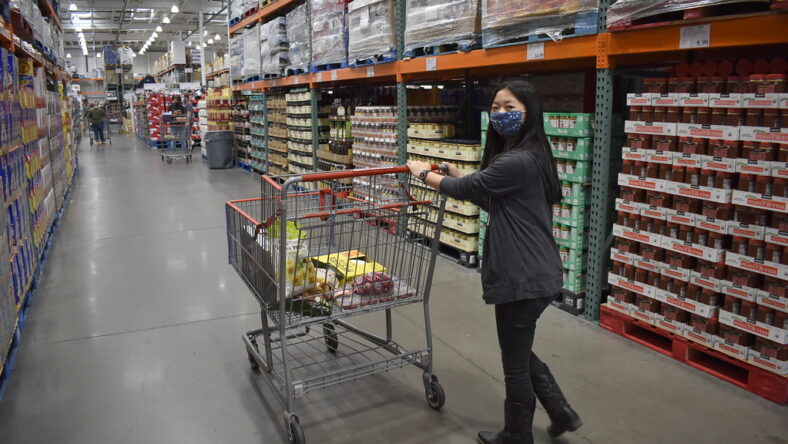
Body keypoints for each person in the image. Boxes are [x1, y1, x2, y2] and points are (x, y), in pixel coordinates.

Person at [406, 80, 582, 444]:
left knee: (513, 362)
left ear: (529, 111)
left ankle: (517, 435)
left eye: (509, 106)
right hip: (537, 272)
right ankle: (561, 412)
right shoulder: (533, 154)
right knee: (518, 347)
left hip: (522, 276)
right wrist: (461, 175)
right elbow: (494, 200)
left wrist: (423, 173)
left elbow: (462, 191)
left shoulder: (516, 160)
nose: (500, 114)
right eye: (495, 107)